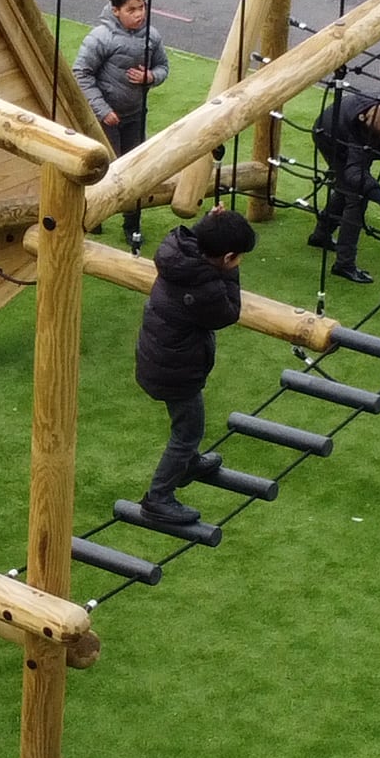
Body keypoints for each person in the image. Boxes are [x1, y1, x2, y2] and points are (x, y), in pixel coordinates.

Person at [131, 208, 256, 533]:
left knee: (186, 426)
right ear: (228, 256)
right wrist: (229, 272)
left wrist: (209, 224)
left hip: (159, 355)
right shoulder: (207, 287)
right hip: (174, 371)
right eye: (238, 258)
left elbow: (203, 238)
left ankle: (188, 464)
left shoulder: (179, 250)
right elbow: (229, 313)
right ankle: (158, 497)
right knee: (188, 431)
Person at [74, 0, 169, 252]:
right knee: (102, 169)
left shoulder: (151, 36)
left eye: (142, 7)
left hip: (136, 114)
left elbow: (164, 67)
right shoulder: (100, 38)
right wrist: (103, 111)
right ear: (115, 10)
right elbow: (80, 74)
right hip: (106, 118)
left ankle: (132, 223)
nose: (139, 14)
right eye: (131, 9)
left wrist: (150, 77)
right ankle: (93, 216)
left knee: (135, 169)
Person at [307, 85, 380, 285]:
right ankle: (344, 264)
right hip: (328, 137)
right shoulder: (358, 134)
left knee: (345, 186)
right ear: (378, 137)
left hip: (345, 128)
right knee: (355, 195)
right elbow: (355, 173)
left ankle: (321, 234)